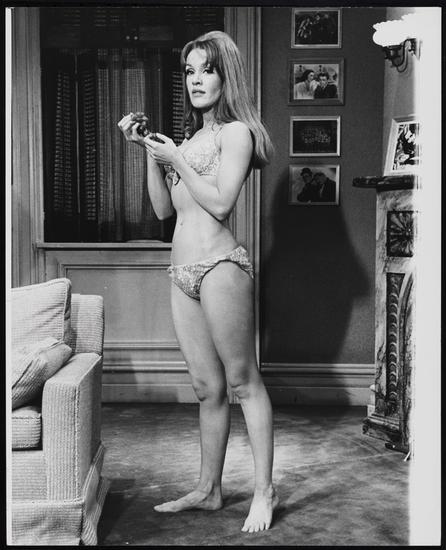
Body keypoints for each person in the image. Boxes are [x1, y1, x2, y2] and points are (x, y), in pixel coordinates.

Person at [117, 30, 279, 533]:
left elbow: (222, 203)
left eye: (207, 69)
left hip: (220, 266)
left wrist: (176, 161)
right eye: (189, 71)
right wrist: (149, 152)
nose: (196, 80)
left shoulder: (236, 134)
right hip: (181, 270)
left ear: (226, 75)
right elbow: (164, 211)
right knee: (207, 389)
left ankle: (265, 491)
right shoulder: (187, 141)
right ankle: (209, 490)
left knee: (243, 382)